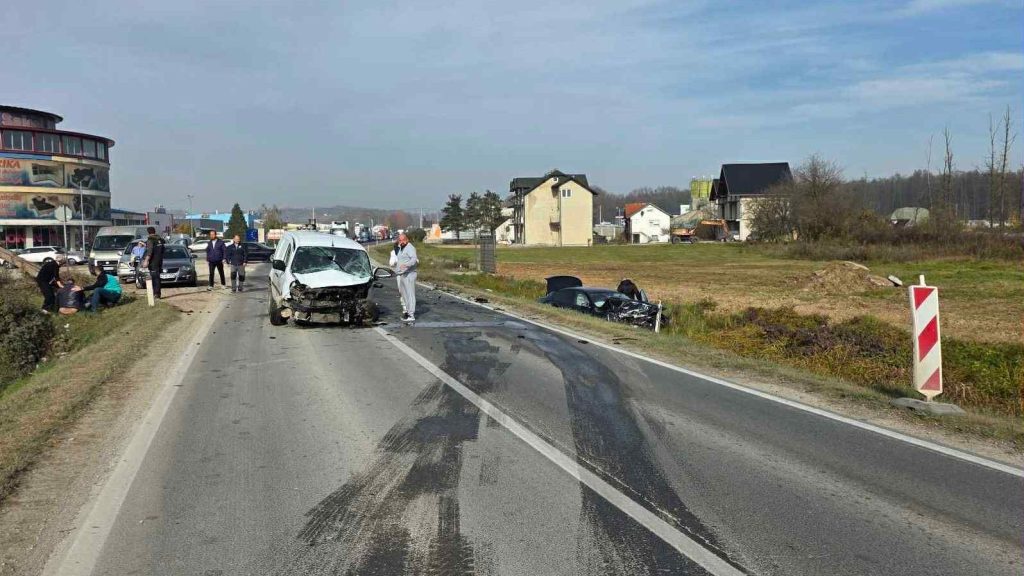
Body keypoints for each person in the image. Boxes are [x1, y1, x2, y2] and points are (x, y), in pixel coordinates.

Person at [394, 233, 418, 322]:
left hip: (409, 274)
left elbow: (414, 259)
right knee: (404, 295)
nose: (401, 242)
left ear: (407, 239)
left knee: (410, 294)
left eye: (403, 240)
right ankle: (408, 312)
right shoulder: (401, 248)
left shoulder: (410, 248)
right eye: (400, 240)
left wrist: (406, 265)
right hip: (402, 274)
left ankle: (411, 315)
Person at [142, 227, 166, 298]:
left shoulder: (150, 240)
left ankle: (156, 294)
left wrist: (146, 261)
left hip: (153, 262)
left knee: (154, 278)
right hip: (160, 261)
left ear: (148, 232)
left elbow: (150, 251)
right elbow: (163, 250)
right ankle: (157, 293)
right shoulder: (160, 240)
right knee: (157, 277)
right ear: (154, 231)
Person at [389, 241, 406, 316]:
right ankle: (405, 309)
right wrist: (396, 261)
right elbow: (391, 263)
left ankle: (407, 309)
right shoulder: (394, 252)